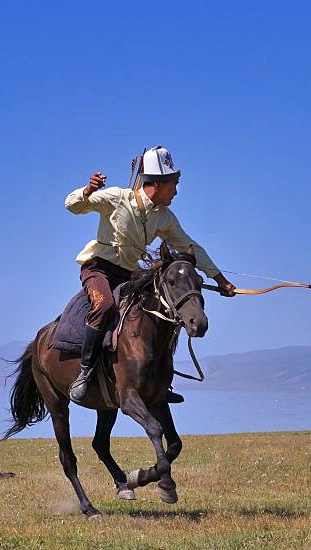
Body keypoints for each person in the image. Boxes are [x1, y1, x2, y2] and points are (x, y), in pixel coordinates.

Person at [64, 146, 236, 404]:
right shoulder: (116, 198)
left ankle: (159, 380)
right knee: (104, 305)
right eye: (174, 185)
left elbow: (192, 248)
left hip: (129, 275)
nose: (176, 191)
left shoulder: (164, 218)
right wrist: (88, 190)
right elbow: (72, 205)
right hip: (98, 268)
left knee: (164, 311)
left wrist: (220, 279)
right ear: (158, 184)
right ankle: (85, 374)